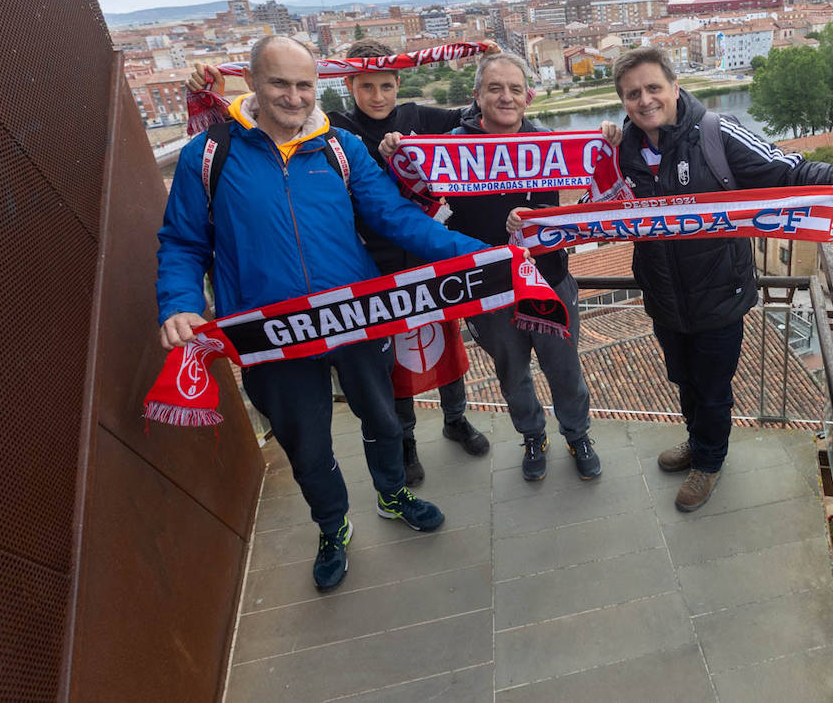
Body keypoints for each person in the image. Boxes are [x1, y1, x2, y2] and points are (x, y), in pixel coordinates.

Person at [158, 36, 489, 592]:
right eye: (279, 84)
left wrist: (480, 256)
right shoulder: (208, 154)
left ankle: (392, 493)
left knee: (383, 420)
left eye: (304, 85)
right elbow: (183, 241)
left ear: (318, 86)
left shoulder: (341, 147)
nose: (294, 97)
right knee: (306, 443)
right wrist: (180, 303)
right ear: (251, 83)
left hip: (354, 317)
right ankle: (332, 526)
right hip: (269, 333)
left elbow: (396, 218)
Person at [611, 46, 833, 513]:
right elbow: (587, 202)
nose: (645, 100)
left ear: (674, 87)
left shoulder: (715, 132)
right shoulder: (620, 152)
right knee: (684, 381)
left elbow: (788, 170)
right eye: (633, 94)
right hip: (664, 297)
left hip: (719, 295)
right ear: (623, 102)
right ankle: (697, 441)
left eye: (653, 88)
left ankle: (709, 463)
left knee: (713, 390)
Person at [389, 51, 603, 483]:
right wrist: (396, 152)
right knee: (512, 374)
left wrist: (611, 137)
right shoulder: (448, 147)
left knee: (565, 370)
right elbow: (409, 190)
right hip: (488, 289)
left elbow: (592, 193)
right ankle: (533, 436)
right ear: (477, 96)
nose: (506, 97)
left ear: (528, 97)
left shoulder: (552, 144)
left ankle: (577, 434)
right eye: (495, 88)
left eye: (515, 89)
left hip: (549, 280)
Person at [327, 39, 490, 486]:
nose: (377, 96)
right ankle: (406, 441)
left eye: (386, 85)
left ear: (398, 83)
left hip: (427, 252)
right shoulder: (334, 129)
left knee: (448, 341)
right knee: (392, 357)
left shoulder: (418, 117)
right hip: (374, 261)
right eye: (366, 86)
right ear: (349, 84)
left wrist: (487, 60)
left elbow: (474, 117)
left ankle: (455, 419)